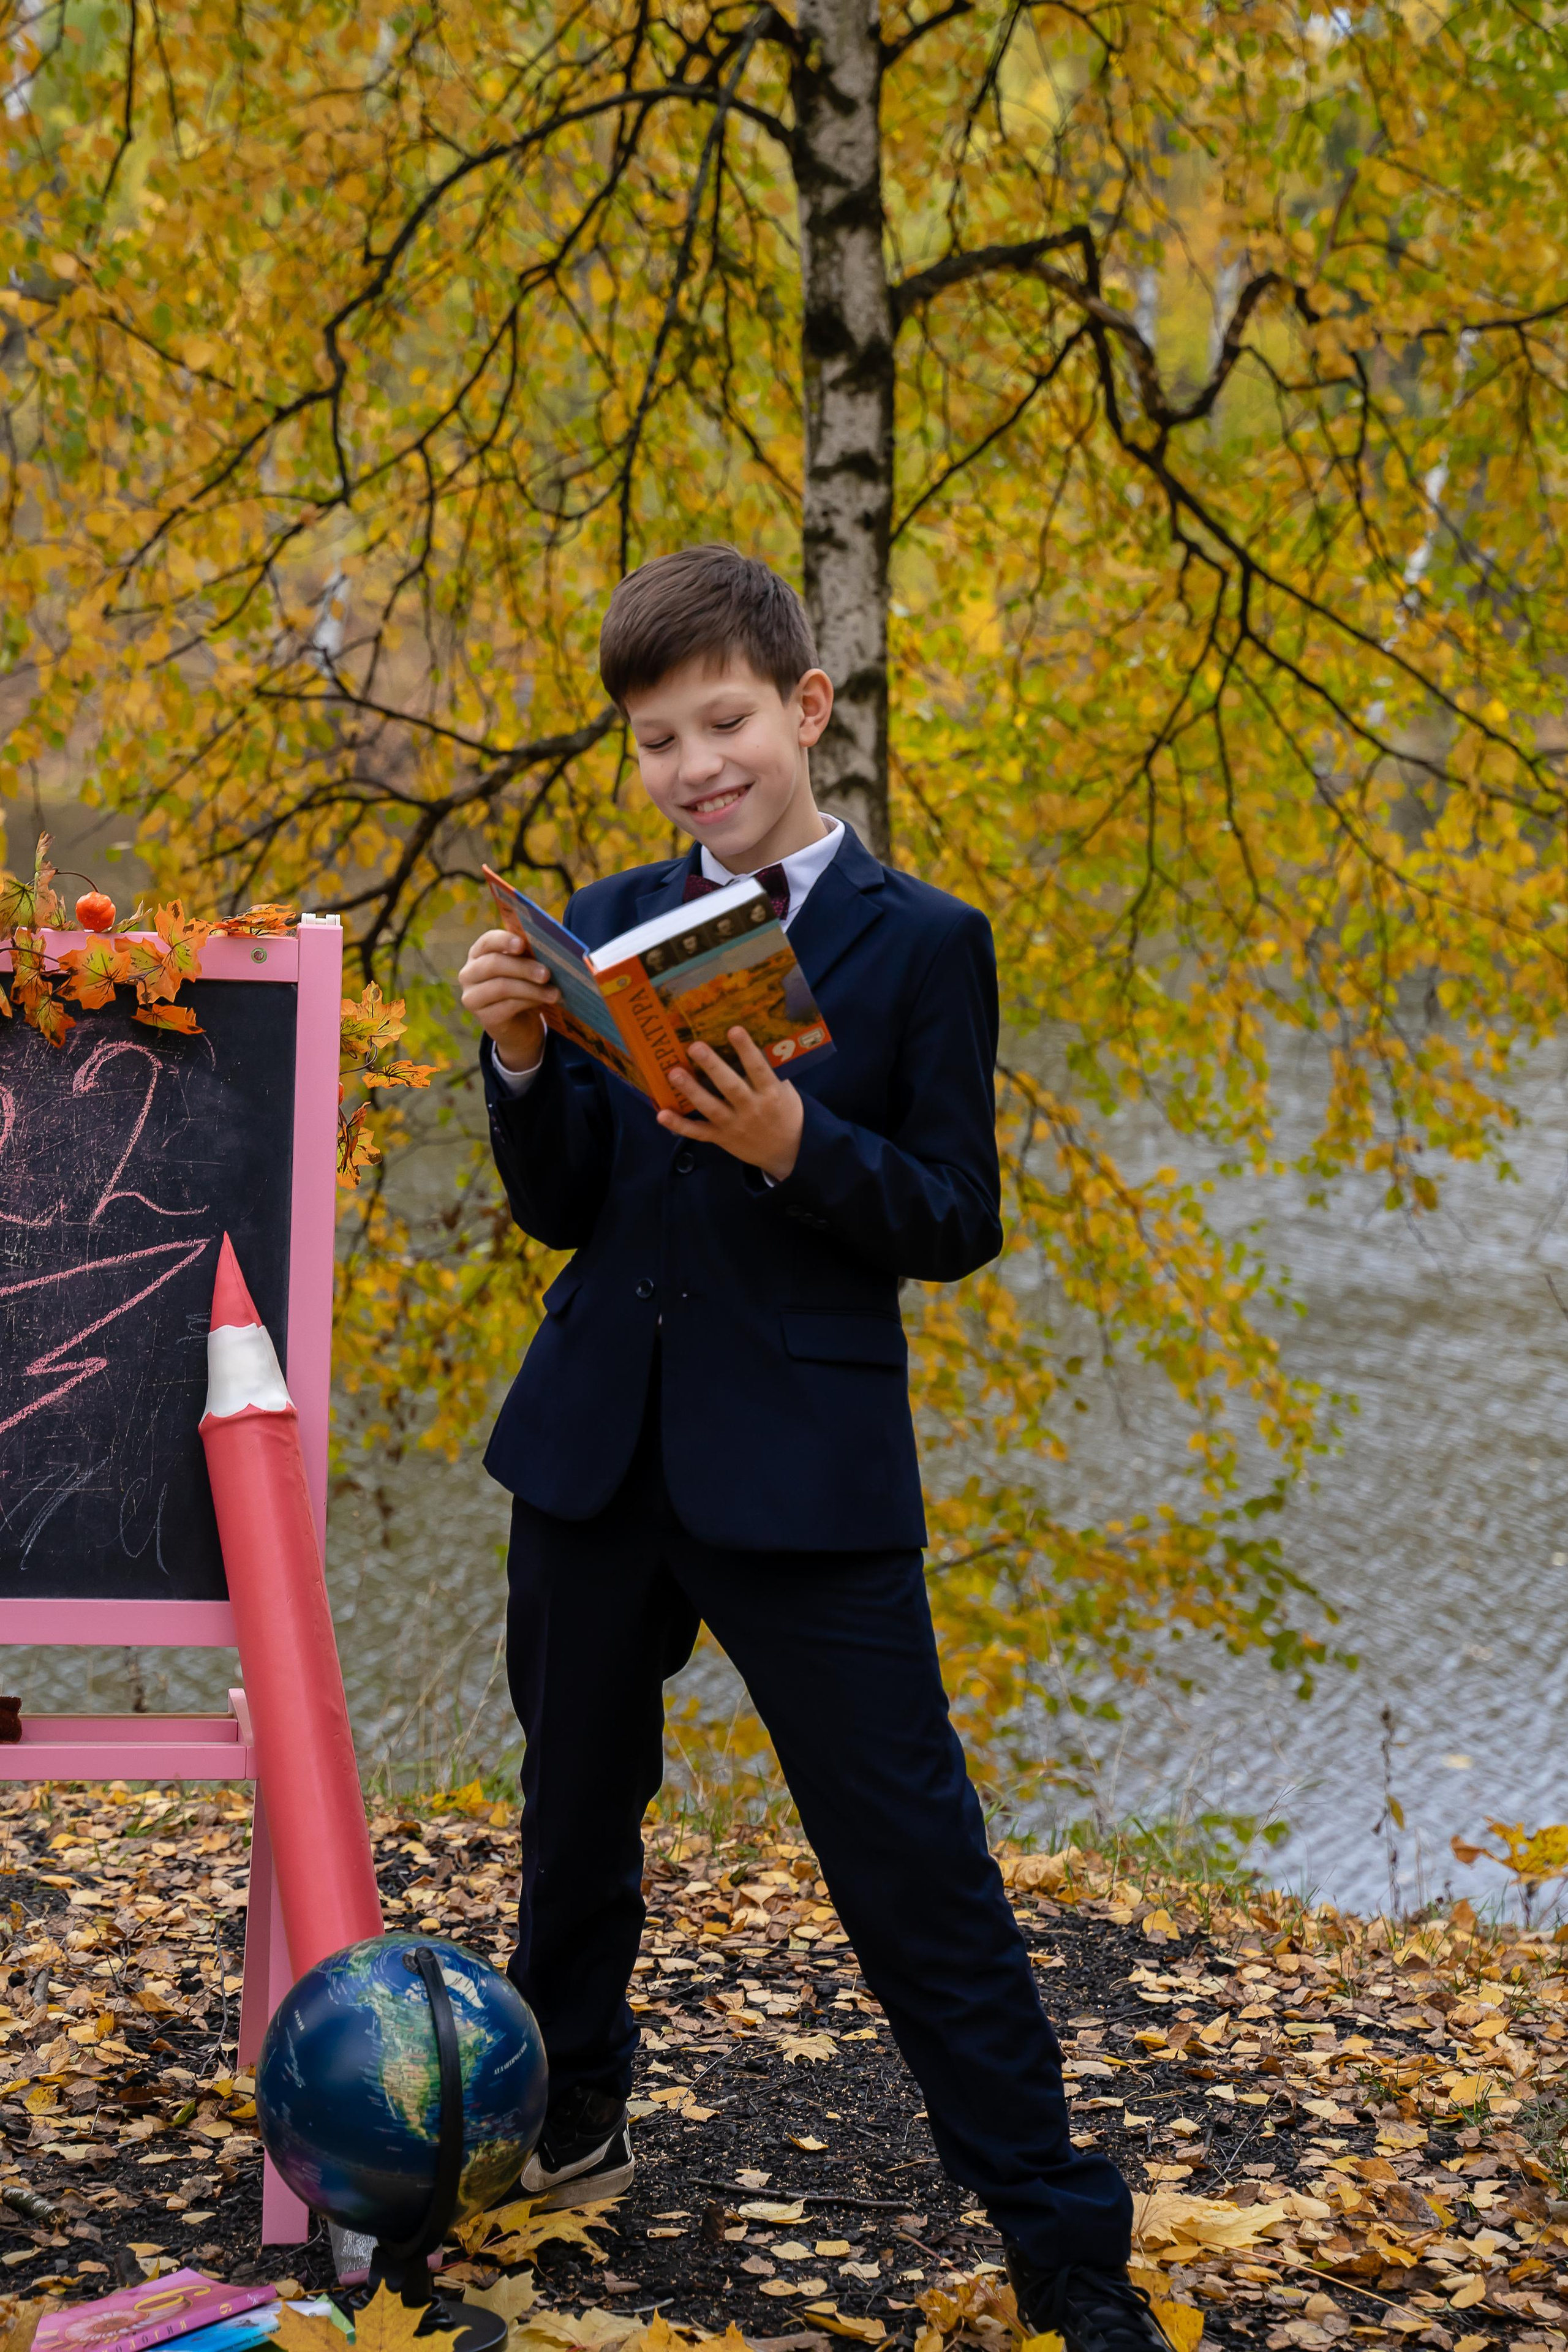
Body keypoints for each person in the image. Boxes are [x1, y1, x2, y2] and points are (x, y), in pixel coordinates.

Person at [458, 544, 1166, 2352]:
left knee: (914, 1858)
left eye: (723, 724)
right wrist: (527, 1066)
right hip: (595, 1455)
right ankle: (574, 2118)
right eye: (655, 739)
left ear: (806, 709)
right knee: (572, 1827)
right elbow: (564, 1215)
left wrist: (794, 1148)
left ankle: (1063, 2243)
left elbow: (954, 1216)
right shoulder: (609, 915)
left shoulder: (924, 944)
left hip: (808, 1473)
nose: (694, 766)